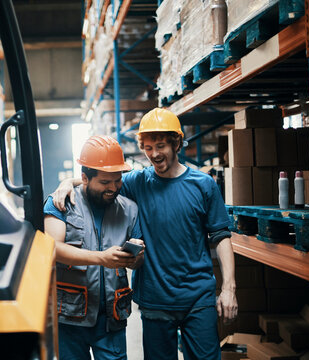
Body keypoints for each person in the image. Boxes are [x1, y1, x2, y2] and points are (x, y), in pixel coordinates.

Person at [52, 108, 238, 360]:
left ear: (176, 143)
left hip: (198, 297)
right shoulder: (137, 182)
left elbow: (221, 236)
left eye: (160, 146)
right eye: (148, 148)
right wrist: (67, 183)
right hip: (154, 299)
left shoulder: (203, 184)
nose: (154, 154)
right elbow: (101, 179)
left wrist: (229, 288)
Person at [44, 135, 145, 360]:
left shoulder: (129, 209)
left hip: (111, 318)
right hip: (70, 316)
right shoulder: (61, 202)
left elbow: (138, 262)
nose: (113, 188)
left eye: (117, 180)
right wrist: (101, 258)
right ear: (85, 179)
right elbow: (52, 250)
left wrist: (135, 256)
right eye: (104, 183)